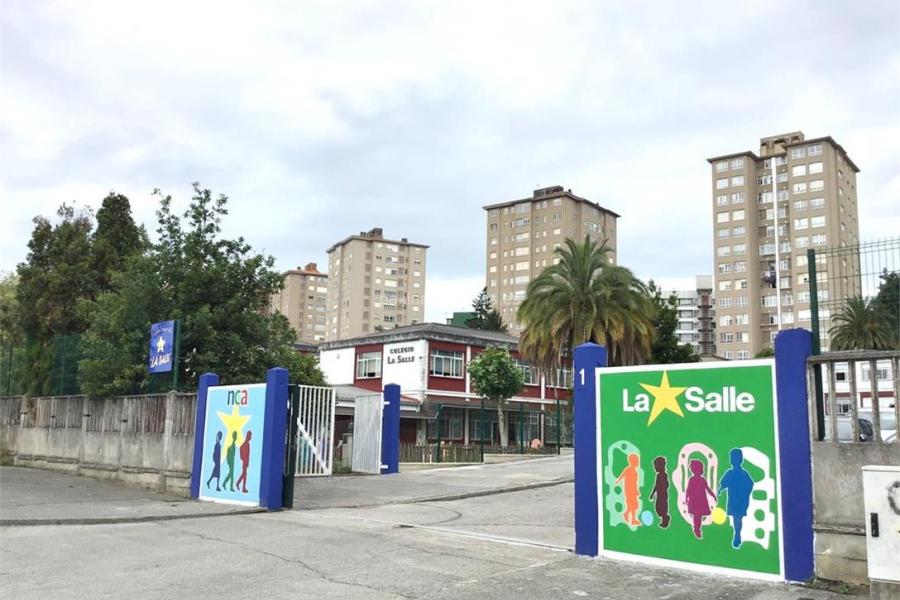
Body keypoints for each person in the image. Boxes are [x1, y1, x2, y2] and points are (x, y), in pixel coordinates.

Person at [718, 448, 754, 548]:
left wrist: (745, 494)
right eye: (732, 458)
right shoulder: (730, 473)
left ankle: (737, 534)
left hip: (740, 499)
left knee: (737, 517)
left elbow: (750, 484)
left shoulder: (743, 473)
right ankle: (737, 534)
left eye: (735, 458)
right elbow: (724, 483)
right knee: (736, 517)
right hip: (733, 499)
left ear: (741, 459)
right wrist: (720, 489)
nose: (733, 460)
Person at [686, 459, 717, 539]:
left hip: (699, 501)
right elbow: (688, 490)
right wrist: (686, 497)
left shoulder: (701, 480)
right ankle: (696, 529)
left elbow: (707, 489)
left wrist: (713, 495)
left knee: (697, 516)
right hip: (695, 501)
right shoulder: (692, 479)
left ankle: (697, 529)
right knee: (697, 516)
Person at [614, 453, 642, 527]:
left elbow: (633, 482)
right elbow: (630, 481)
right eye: (637, 461)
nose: (638, 462)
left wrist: (618, 480)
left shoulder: (632, 470)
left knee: (631, 504)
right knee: (633, 505)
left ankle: (626, 514)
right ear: (632, 462)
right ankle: (633, 519)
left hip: (631, 490)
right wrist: (618, 480)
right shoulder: (630, 470)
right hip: (630, 491)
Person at [648, 456, 670, 528]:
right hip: (659, 494)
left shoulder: (664, 475)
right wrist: (652, 494)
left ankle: (665, 519)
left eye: (656, 466)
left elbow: (667, 484)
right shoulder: (658, 475)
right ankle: (665, 518)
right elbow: (656, 485)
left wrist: (662, 488)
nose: (655, 468)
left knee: (662, 507)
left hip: (663, 494)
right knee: (658, 507)